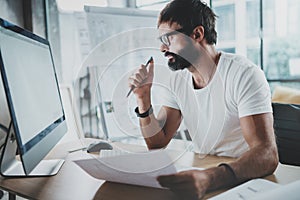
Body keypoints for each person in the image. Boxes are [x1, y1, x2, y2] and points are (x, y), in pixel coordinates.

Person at [128, 0, 278, 199]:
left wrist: (209, 178)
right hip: (205, 175)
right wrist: (143, 98)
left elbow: (267, 154)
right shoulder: (177, 80)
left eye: (168, 39)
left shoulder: (244, 74)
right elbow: (157, 143)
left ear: (197, 34)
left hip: (244, 180)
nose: (163, 49)